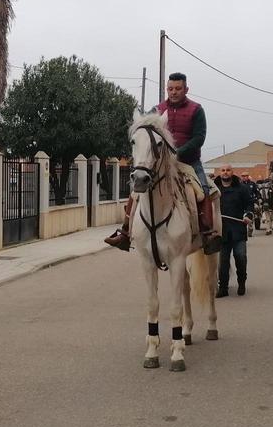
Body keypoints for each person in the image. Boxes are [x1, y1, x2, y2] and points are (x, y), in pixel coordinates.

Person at [105, 73, 221, 253]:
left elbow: (199, 138)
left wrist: (177, 152)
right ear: (167, 89)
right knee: (137, 190)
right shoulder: (157, 109)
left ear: (186, 89)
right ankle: (126, 232)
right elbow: (147, 134)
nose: (173, 92)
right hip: (161, 163)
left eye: (178, 89)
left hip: (189, 162)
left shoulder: (196, 109)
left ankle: (208, 234)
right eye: (170, 89)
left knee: (203, 190)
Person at [214, 165, 254, 297]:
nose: (225, 172)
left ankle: (241, 282)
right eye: (223, 170)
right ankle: (223, 288)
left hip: (238, 230)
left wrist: (248, 215)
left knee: (240, 257)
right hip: (221, 231)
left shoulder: (242, 188)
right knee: (223, 262)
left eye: (228, 170)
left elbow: (249, 204)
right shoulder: (214, 189)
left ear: (232, 172)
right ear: (220, 173)